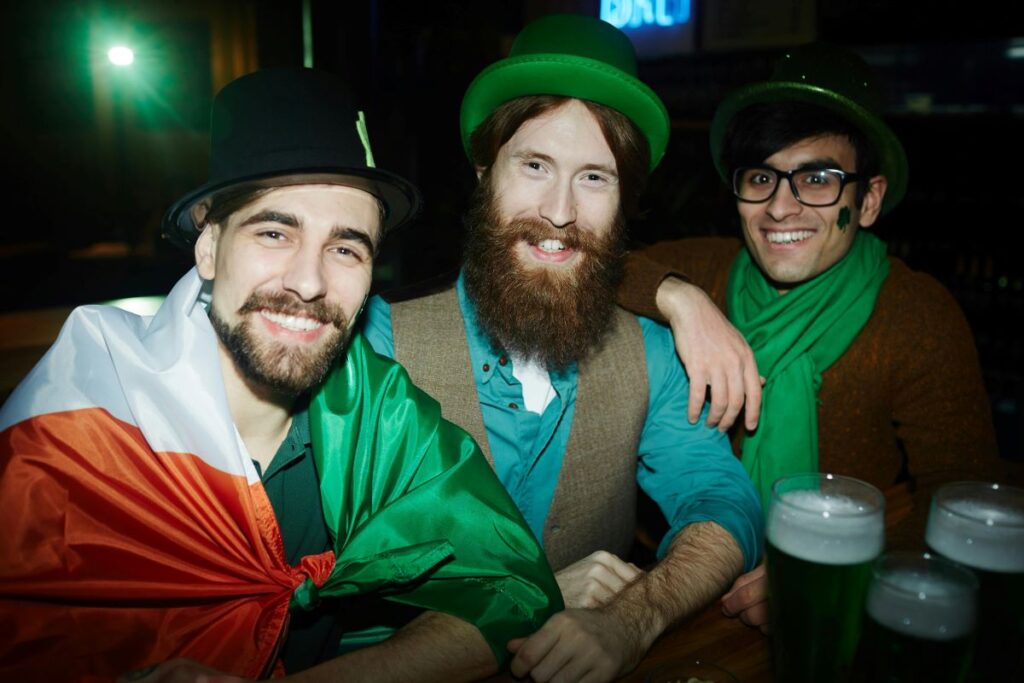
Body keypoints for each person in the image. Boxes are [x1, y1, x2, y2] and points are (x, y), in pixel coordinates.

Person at [0, 67, 562, 682]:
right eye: (274, 232)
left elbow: (511, 594)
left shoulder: (373, 409)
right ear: (209, 246)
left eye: (346, 248)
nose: (309, 281)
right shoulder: (77, 427)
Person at [361, 15, 763, 682]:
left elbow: (724, 503)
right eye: (536, 165)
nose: (559, 211)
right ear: (487, 171)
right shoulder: (376, 345)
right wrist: (536, 597)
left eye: (595, 179)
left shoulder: (652, 356)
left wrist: (632, 617)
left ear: (624, 203)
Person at [618, 43, 1001, 632]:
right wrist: (681, 299)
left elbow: (960, 500)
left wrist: (836, 569)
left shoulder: (915, 314)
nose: (780, 207)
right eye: (762, 177)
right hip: (675, 588)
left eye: (817, 179)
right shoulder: (704, 269)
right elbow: (593, 267)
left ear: (867, 200)